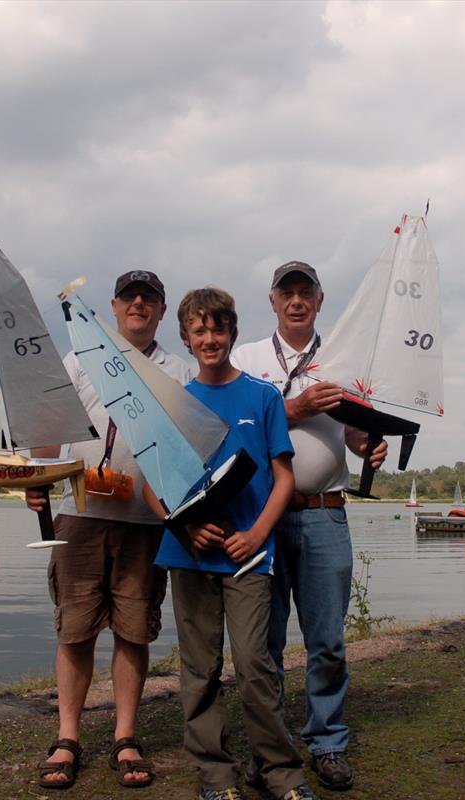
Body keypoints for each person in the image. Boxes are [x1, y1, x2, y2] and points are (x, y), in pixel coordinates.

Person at [145, 287, 323, 800]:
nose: (209, 339)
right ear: (185, 339)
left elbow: (283, 477)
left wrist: (259, 534)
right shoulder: (175, 403)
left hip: (249, 557)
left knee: (254, 668)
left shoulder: (263, 397)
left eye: (217, 329)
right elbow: (150, 486)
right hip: (191, 555)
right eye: (198, 331)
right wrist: (183, 526)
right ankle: (215, 777)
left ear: (231, 333)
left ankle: (281, 773)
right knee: (199, 671)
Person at [26, 270, 191, 790]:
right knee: (74, 631)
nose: (138, 304)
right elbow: (49, 440)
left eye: (150, 298)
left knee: (133, 630)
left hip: (146, 522)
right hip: (79, 518)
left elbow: (188, 449)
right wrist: (36, 478)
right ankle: (68, 736)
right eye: (129, 297)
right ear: (114, 309)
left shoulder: (179, 372)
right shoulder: (80, 362)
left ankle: (125, 735)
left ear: (162, 311)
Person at [232, 262, 388, 792]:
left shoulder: (344, 359)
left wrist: (370, 445)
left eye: (306, 293)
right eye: (286, 293)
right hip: (262, 517)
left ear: (320, 301)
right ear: (272, 302)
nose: (296, 301)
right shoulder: (246, 358)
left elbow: (355, 435)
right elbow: (233, 434)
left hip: (326, 512)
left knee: (326, 641)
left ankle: (327, 742)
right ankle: (271, 748)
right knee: (264, 643)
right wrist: (291, 408)